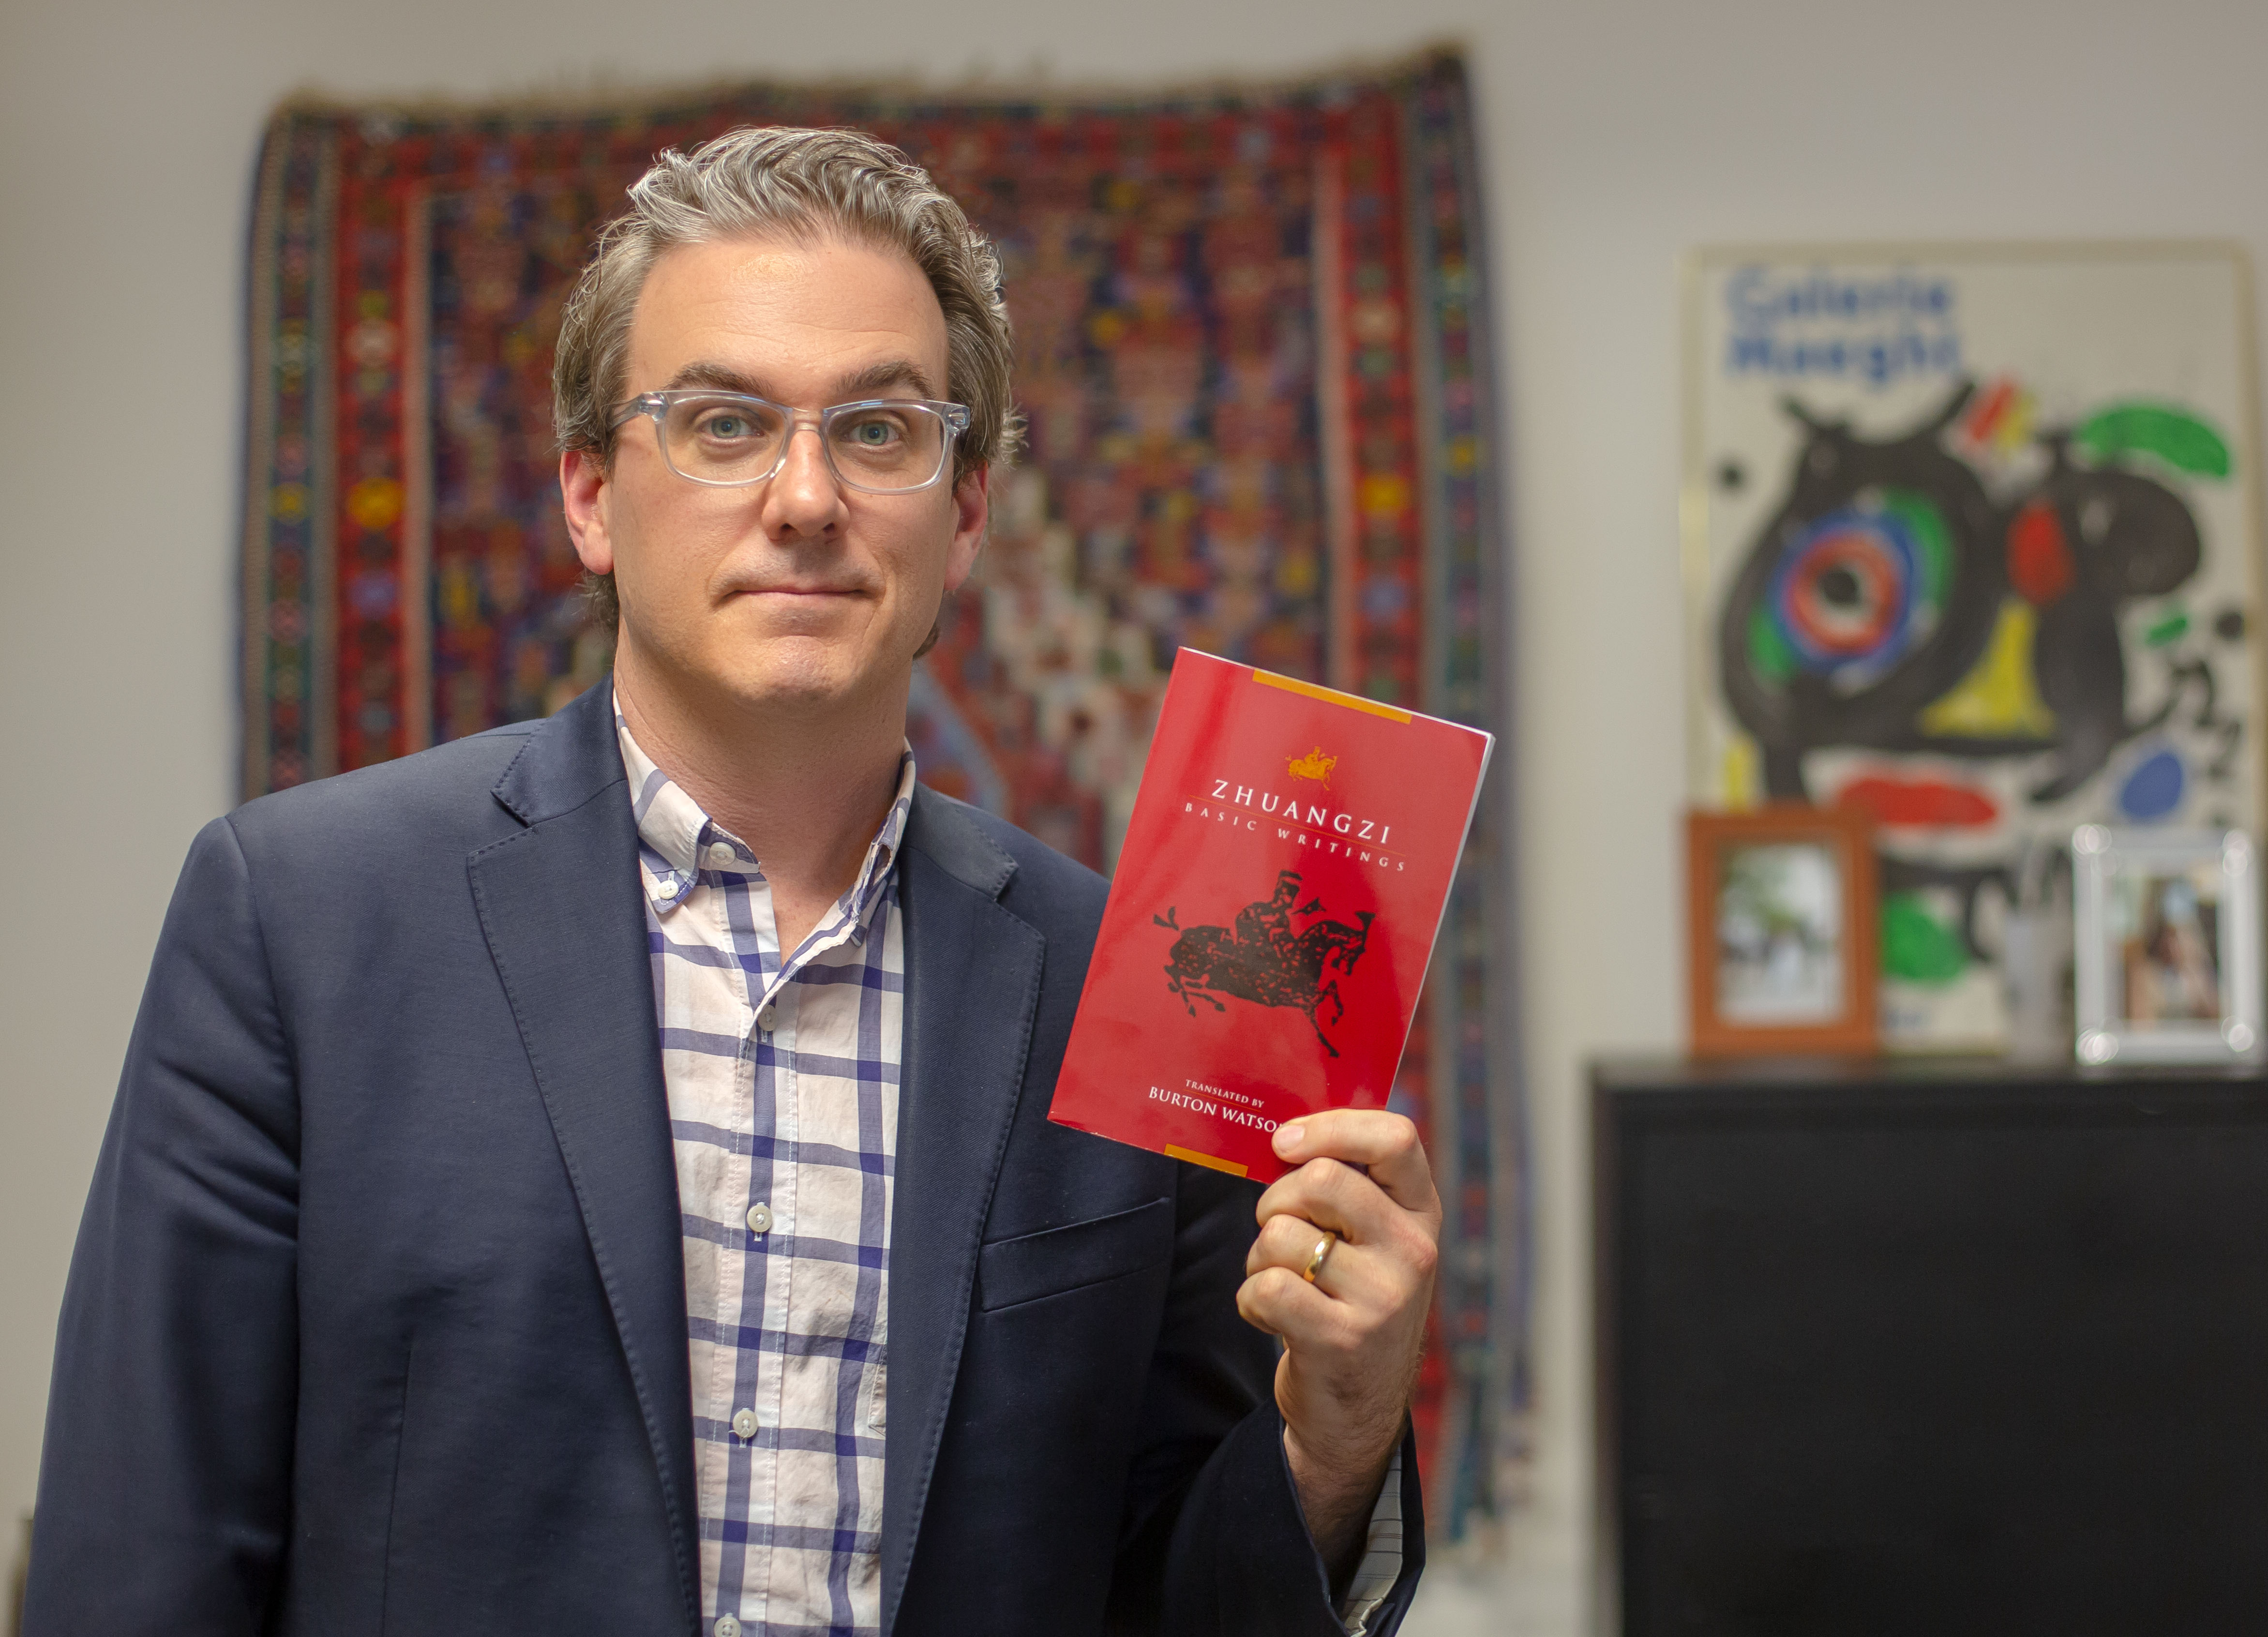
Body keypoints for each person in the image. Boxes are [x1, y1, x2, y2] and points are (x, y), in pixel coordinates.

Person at [26, 127, 1433, 1637]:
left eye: (881, 432)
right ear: (588, 494)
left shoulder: (1126, 980)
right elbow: (141, 1555)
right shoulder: (297, 921)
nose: (807, 497)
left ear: (962, 513)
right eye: (720, 424)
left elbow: (1172, 1591)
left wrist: (1333, 1439)